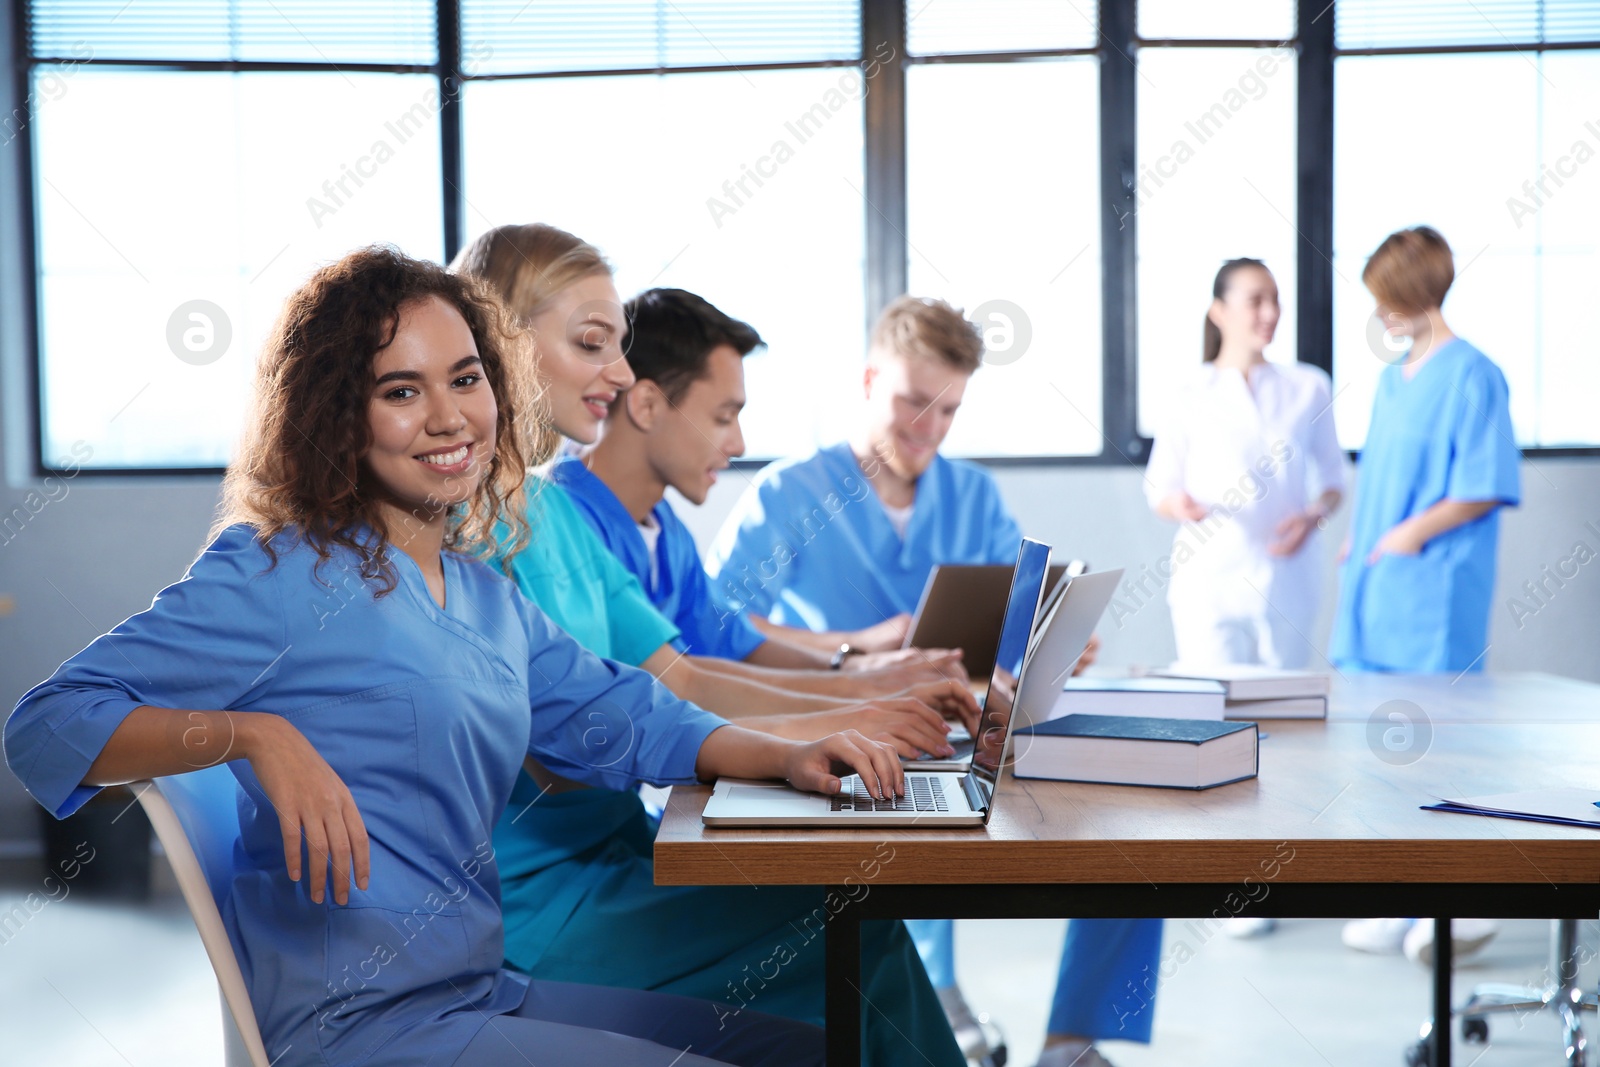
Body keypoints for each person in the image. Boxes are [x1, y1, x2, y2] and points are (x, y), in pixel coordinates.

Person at [3, 247, 913, 1067]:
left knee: (807, 1046)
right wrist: (253, 736)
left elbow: (627, 709)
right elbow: (47, 721)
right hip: (365, 1028)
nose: (448, 418)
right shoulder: (276, 573)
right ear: (339, 415)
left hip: (475, 991)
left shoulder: (478, 589)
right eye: (401, 391)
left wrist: (790, 754)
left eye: (466, 379)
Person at [449, 222, 965, 1066]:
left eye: (620, 349)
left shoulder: (551, 515)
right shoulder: (476, 536)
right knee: (854, 942)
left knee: (851, 941)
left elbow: (680, 671)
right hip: (543, 905)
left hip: (613, 853)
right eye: (592, 345)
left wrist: (852, 707)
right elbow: (582, 740)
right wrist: (802, 731)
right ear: (496, 340)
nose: (618, 376)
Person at [705, 295, 1155, 1067]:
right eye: (915, 403)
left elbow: (1002, 627)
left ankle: (1073, 1037)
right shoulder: (789, 494)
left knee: (1134, 836)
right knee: (912, 823)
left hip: (969, 730)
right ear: (871, 378)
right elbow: (715, 633)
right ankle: (934, 990)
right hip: (852, 736)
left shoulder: (971, 493)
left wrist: (1044, 645)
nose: (930, 430)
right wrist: (855, 643)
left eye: (949, 413)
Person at [550, 288, 975, 711]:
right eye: (722, 418)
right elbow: (679, 684)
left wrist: (857, 671)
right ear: (646, 405)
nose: (738, 444)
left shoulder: (666, 532)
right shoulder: (559, 525)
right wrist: (859, 692)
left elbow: (730, 644)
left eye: (947, 410)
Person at [1332, 226, 1521, 963]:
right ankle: (1395, 892)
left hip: (1432, 585)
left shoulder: (1475, 374)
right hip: (1375, 581)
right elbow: (1376, 472)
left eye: (1388, 301)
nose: (1382, 315)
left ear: (1418, 294)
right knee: (1379, 743)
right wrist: (1363, 532)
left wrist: (1410, 532)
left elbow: (1483, 484)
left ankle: (1458, 903)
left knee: (1438, 743)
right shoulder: (1391, 378)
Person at [1145, 258, 1345, 673]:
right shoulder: (1189, 393)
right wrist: (1177, 505)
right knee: (1211, 713)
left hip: (1288, 578)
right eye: (1256, 301)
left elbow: (1332, 481)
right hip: (1209, 580)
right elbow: (1159, 489)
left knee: (1285, 717)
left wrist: (1314, 515)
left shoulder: (1309, 387)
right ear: (1219, 312)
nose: (1270, 313)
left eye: (1275, 300)